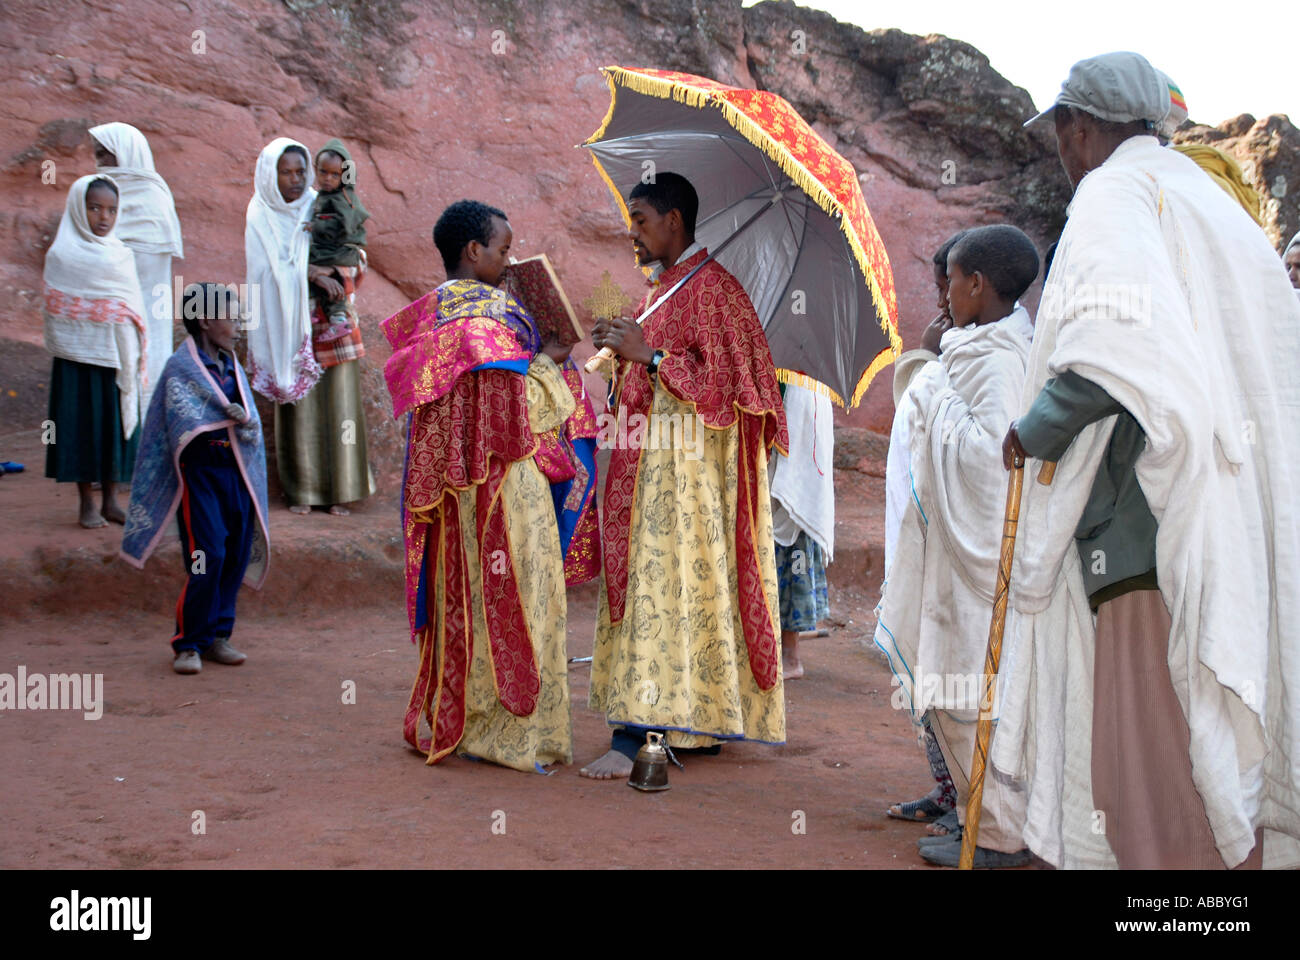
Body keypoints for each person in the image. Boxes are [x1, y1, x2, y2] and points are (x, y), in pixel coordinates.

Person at [997, 51, 1300, 869]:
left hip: (1141, 534)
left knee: (1149, 760)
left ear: (1083, 128)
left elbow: (1107, 355)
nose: (1062, 156)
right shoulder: (1217, 206)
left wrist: (1033, 429)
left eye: (1060, 135)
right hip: (1232, 521)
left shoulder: (1113, 193)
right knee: (1209, 736)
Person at [582, 172, 789, 779]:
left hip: (687, 475)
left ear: (674, 221)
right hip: (648, 461)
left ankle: (637, 735)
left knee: (664, 585)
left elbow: (736, 390)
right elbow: (656, 376)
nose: (633, 233)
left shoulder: (718, 292)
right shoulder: (663, 290)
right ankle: (687, 722)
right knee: (670, 589)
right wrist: (624, 356)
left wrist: (650, 355)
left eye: (641, 219)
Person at [383, 199, 599, 773]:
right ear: (473, 252)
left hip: (458, 494)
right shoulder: (488, 324)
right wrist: (551, 363)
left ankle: (471, 720)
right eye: (503, 249)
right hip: (507, 488)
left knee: (469, 599)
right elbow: (518, 416)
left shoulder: (434, 317)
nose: (509, 260)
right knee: (524, 602)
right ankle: (513, 736)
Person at [874, 224, 1040, 868]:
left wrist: (936, 379)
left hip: (981, 564)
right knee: (961, 692)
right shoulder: (984, 346)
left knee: (978, 690)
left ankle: (997, 831)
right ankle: (975, 814)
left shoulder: (999, 358)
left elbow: (987, 459)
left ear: (975, 284)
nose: (942, 292)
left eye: (949, 280)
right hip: (955, 552)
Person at [121, 283, 270, 674]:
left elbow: (249, 422)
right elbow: (176, 423)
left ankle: (219, 635)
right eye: (232, 318)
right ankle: (188, 642)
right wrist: (223, 417)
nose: (239, 326)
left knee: (236, 552)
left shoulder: (231, 365)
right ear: (205, 320)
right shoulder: (180, 368)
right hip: (200, 475)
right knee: (208, 554)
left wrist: (244, 421)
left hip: (235, 473)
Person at [244, 138, 374, 516]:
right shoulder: (259, 214)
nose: (296, 180)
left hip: (330, 322)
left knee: (341, 403)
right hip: (289, 325)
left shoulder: (324, 205)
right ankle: (303, 489)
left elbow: (358, 253)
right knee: (299, 406)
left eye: (301, 171)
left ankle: (342, 488)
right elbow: (262, 273)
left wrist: (333, 271)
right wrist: (308, 273)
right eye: (286, 172)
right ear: (271, 174)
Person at [42, 174, 145, 529]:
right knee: (79, 427)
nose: (104, 217)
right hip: (76, 359)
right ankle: (86, 501)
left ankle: (111, 501)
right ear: (77, 208)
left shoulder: (121, 254)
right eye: (95, 208)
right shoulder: (62, 254)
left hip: (114, 357)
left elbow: (131, 307)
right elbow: (56, 310)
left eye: (112, 210)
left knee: (113, 427)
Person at [89, 122, 184, 411]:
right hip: (105, 321)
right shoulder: (100, 201)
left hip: (145, 317)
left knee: (143, 389)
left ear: (126, 154)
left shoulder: (153, 200)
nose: (100, 163)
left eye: (106, 155)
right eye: (98, 155)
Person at [770, 381, 834, 681]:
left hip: (794, 491)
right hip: (784, 485)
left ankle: (791, 658)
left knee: (792, 564)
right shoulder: (800, 374)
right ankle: (771, 648)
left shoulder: (803, 383)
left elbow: (796, 430)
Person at [308, 138, 369, 342]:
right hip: (330, 250)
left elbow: (346, 226)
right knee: (314, 268)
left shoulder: (343, 197)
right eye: (323, 172)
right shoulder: (322, 196)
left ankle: (338, 318)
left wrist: (318, 226)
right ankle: (315, 311)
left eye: (335, 175)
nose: (328, 179)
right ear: (315, 169)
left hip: (343, 252)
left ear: (344, 176)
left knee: (329, 277)